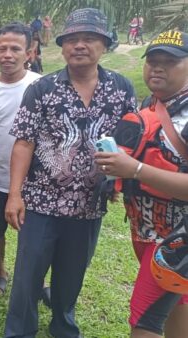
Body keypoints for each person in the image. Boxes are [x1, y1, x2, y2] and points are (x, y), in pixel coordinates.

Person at [3, 8, 136, 338]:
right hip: (41, 203)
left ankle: (63, 327)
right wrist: (15, 194)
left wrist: (119, 180)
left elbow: (131, 138)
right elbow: (24, 142)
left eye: (89, 39)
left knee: (71, 276)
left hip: (89, 206)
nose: (80, 46)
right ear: (61, 47)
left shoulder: (121, 88)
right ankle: (19, 331)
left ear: (104, 44)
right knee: (27, 278)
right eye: (72, 39)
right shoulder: (43, 89)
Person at [95, 30, 188, 338]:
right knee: (176, 305)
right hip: (148, 230)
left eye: (169, 62)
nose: (158, 68)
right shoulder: (152, 103)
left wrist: (134, 169)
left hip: (178, 239)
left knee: (145, 316)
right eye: (153, 61)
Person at [0, 23, 41, 294]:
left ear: (29, 53)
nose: (8, 54)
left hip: (34, 179)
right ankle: (0, 270)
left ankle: (36, 279)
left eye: (15, 49)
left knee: (36, 235)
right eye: (2, 49)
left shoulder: (40, 86)